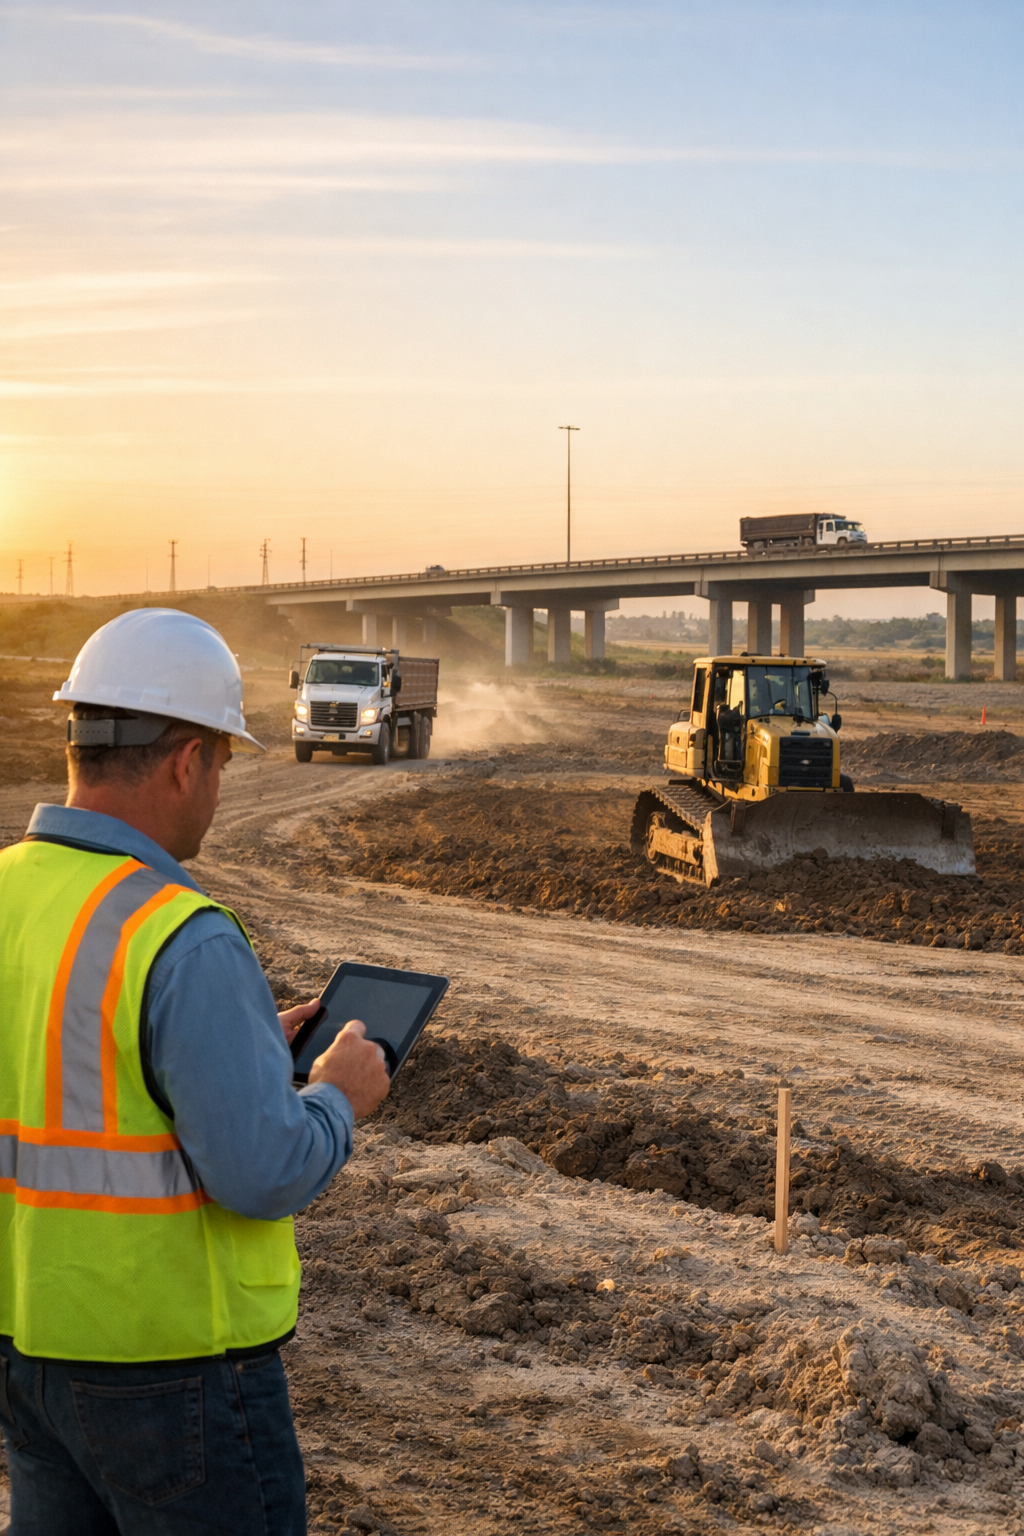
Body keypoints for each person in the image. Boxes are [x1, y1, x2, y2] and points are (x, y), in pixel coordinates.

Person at [0, 608, 392, 1535]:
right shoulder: (178, 932)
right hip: (173, 1371)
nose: (218, 788)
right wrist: (338, 1094)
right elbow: (264, 1170)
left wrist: (239, 1041)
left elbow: (70, 1060)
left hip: (29, 1350)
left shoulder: (12, 888)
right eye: (222, 762)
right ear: (186, 760)